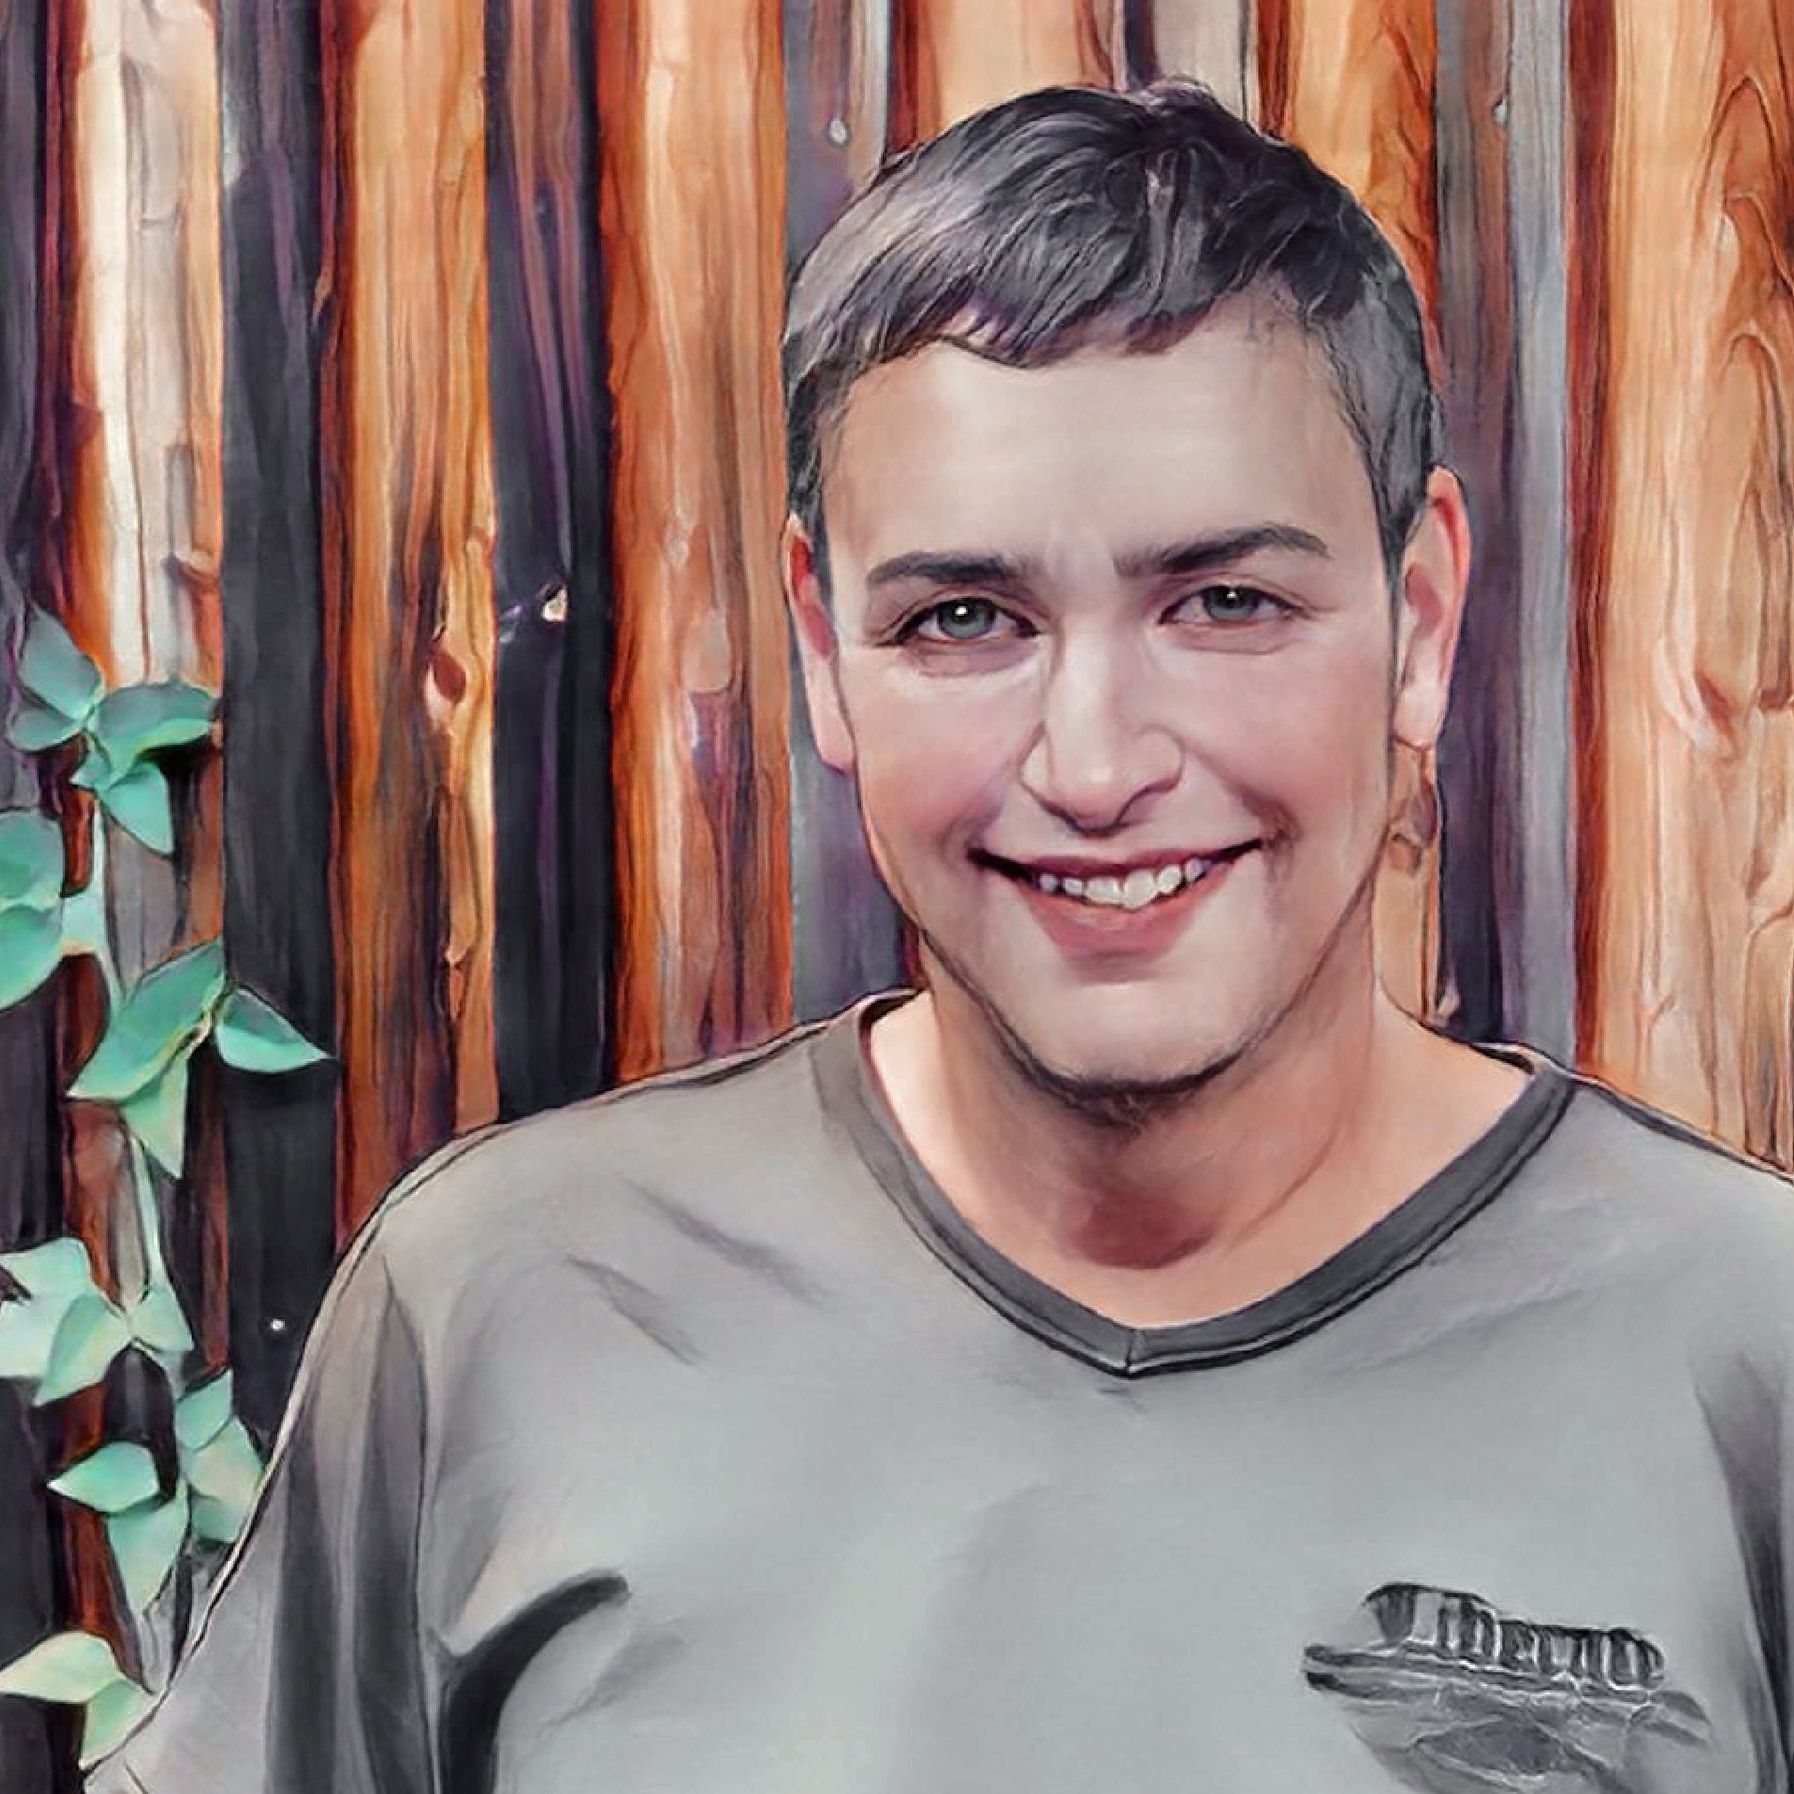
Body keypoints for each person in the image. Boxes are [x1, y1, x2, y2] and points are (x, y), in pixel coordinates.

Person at [89, 80, 1794, 1794]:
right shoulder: (506, 1311)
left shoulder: (1743, 1345)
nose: (1095, 765)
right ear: (823, 647)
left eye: (1225, 602)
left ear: (1417, 622)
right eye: (963, 616)